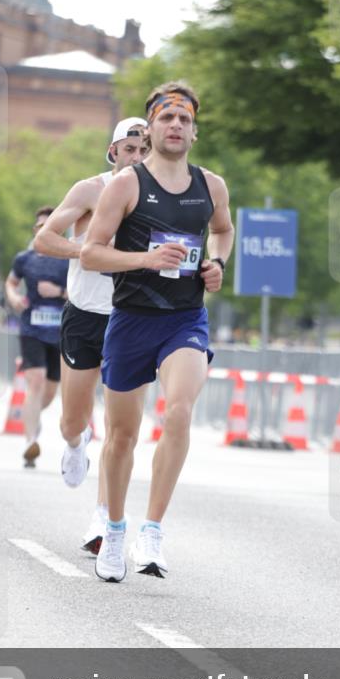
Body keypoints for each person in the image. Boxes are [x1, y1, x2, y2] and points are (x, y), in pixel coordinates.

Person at [81, 82, 234, 581]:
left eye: (184, 120)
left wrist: (216, 264)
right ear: (151, 128)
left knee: (180, 412)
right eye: (166, 118)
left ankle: (153, 530)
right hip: (131, 320)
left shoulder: (210, 186)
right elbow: (91, 252)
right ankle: (116, 528)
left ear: (194, 131)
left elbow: (223, 230)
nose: (175, 126)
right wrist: (145, 259)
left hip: (184, 319)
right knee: (121, 437)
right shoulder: (126, 184)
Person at [33, 118, 150, 552]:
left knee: (121, 430)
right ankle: (74, 440)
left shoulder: (160, 196)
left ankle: (103, 519)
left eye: (144, 149)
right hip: (85, 313)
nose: (137, 157)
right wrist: (85, 251)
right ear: (113, 151)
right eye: (129, 149)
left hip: (134, 317)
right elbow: (45, 239)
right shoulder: (90, 190)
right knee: (72, 418)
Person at [5, 207, 69, 468]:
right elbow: (10, 282)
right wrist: (13, 298)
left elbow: (81, 293)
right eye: (38, 227)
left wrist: (59, 291)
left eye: (48, 226)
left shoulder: (70, 259)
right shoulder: (24, 258)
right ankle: (31, 440)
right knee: (35, 381)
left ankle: (31, 417)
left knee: (49, 392)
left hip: (61, 330)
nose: (42, 230)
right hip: (31, 327)